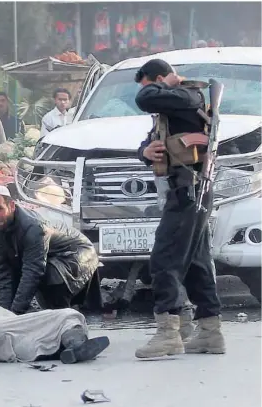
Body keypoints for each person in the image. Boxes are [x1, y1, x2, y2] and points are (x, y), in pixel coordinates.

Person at [134, 59, 224, 359]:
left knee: (164, 258)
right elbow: (153, 141)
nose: (150, 93)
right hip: (186, 189)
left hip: (190, 190)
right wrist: (145, 152)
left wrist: (165, 84)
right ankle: (210, 332)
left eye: (152, 84)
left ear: (160, 79)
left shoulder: (187, 96)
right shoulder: (175, 108)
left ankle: (168, 333)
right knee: (196, 262)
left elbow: (143, 98)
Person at [0, 186, 101, 314]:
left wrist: (16, 312)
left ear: (11, 206)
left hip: (78, 253)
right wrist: (4, 314)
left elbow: (32, 271)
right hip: (46, 256)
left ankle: (60, 314)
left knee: (50, 272)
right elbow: (3, 273)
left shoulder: (33, 227)